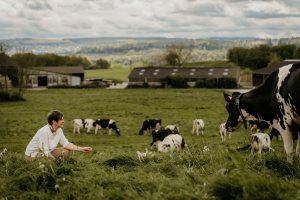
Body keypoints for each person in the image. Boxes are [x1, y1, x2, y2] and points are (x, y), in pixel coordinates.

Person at [25, 110, 93, 160]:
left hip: (48, 151)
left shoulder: (59, 130)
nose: (63, 121)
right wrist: (55, 164)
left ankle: (58, 163)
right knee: (47, 163)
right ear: (54, 121)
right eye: (61, 119)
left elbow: (66, 143)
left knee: (66, 151)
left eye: (63, 119)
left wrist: (81, 149)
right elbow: (45, 151)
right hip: (33, 155)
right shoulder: (44, 131)